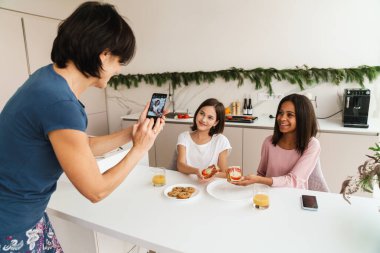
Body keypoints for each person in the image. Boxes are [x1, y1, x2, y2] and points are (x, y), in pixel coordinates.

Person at [0, 2, 165, 252]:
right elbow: (95, 191)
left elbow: (81, 145)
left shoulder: (46, 80)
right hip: (11, 225)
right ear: (104, 54)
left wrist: (131, 134)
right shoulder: (59, 102)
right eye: (120, 61)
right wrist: (140, 150)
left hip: (25, 215)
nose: (119, 70)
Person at [233, 94, 329, 191]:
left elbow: (294, 181)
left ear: (302, 118)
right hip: (269, 196)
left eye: (290, 115)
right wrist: (255, 183)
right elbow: (261, 174)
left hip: (294, 198)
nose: (282, 118)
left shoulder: (312, 145)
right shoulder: (269, 142)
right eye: (280, 113)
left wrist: (258, 179)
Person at [176, 98, 231, 181]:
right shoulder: (184, 137)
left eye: (210, 117)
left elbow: (224, 173)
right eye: (202, 113)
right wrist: (197, 171)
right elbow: (180, 165)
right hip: (186, 184)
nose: (203, 119)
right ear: (197, 113)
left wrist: (211, 174)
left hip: (210, 186)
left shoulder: (221, 141)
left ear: (215, 122)